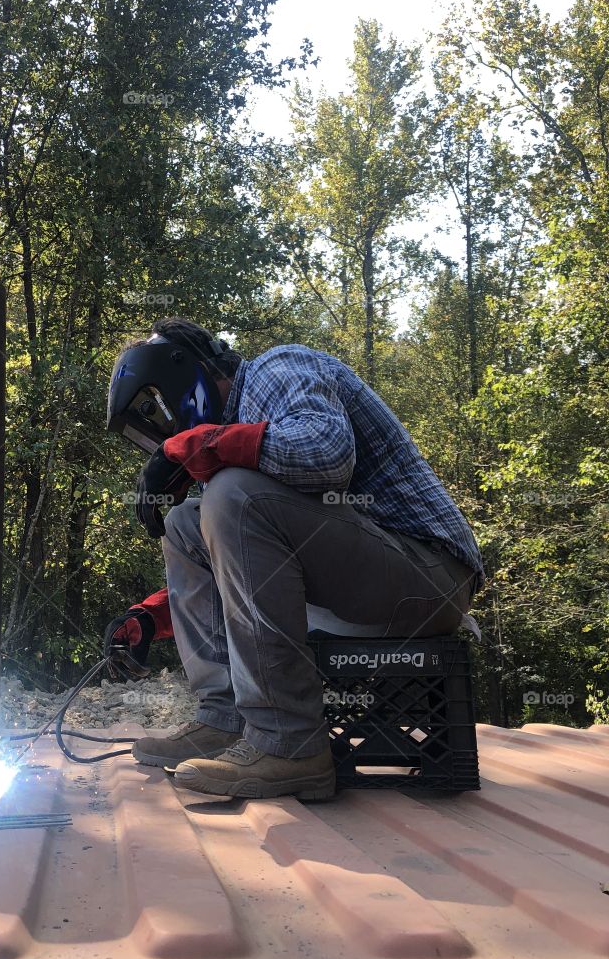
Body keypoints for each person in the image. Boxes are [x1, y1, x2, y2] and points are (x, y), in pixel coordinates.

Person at [105, 317, 484, 801]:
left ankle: (290, 745)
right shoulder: (235, 438)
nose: (166, 433)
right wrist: (151, 616)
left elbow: (326, 454)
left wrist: (201, 445)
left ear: (181, 376)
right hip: (362, 580)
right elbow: (246, 564)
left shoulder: (277, 368)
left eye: (157, 416)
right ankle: (225, 721)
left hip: (430, 576)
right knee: (185, 521)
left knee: (231, 494)